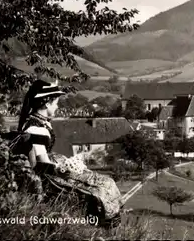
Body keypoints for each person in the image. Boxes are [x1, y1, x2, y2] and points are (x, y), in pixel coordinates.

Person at [17, 79, 123, 222]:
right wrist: (66, 169)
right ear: (47, 103)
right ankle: (104, 221)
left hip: (50, 171)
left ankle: (108, 217)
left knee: (103, 180)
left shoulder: (37, 122)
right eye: (55, 103)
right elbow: (44, 164)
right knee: (104, 185)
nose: (57, 107)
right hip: (49, 178)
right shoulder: (36, 129)